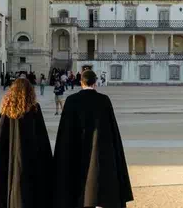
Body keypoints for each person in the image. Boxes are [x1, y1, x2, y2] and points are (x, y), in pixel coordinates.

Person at [53, 70, 133, 208]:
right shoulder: (104, 100)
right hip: (99, 150)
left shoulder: (71, 101)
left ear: (81, 82)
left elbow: (64, 131)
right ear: (95, 83)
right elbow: (111, 129)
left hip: (75, 151)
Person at [0, 78, 53, 208]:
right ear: (30, 91)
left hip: (9, 154)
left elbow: (0, 136)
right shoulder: (34, 108)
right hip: (30, 157)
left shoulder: (7, 107)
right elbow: (41, 136)